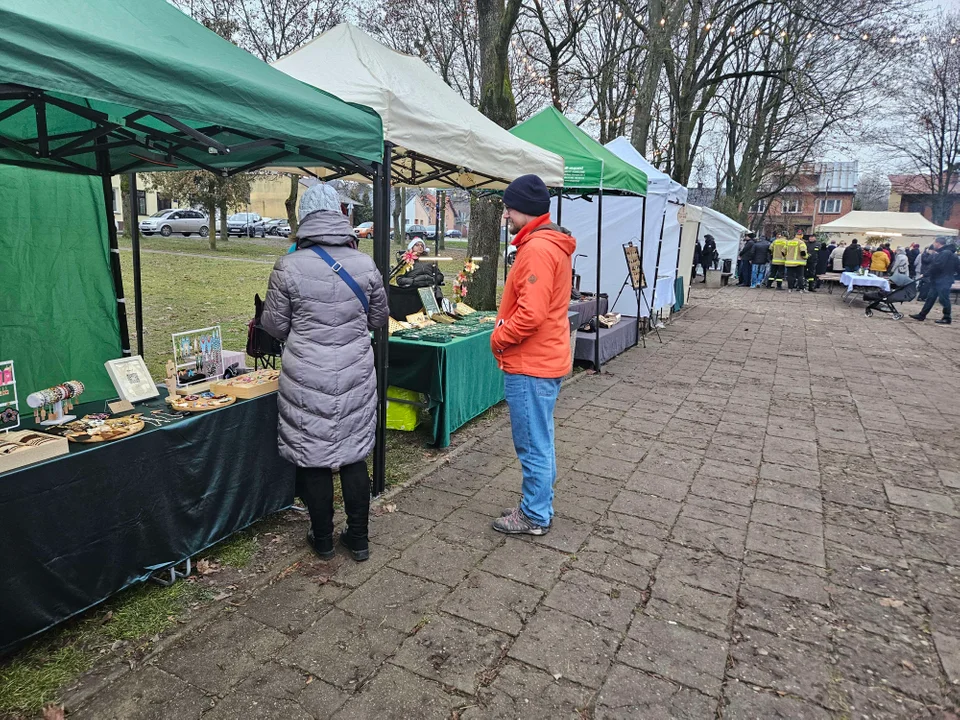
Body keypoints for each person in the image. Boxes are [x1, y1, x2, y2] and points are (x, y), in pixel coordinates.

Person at [261, 183, 389, 562]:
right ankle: (360, 538)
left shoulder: (288, 265)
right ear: (339, 214)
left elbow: (273, 325)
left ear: (305, 218)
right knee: (352, 454)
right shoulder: (364, 264)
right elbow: (379, 317)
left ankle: (321, 540)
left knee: (312, 454)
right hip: (355, 371)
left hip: (306, 375)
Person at [491, 174, 576, 535]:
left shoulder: (538, 249)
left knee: (532, 444)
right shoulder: (549, 244)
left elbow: (531, 313)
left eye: (509, 206)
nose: (506, 213)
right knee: (541, 439)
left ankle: (534, 515)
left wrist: (499, 339)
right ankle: (538, 505)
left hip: (532, 364)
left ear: (524, 208)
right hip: (545, 360)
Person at [910, 237, 960, 325]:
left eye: (934, 243)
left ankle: (947, 317)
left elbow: (937, 266)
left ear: (937, 243)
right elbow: (957, 267)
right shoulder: (951, 254)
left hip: (942, 280)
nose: (933, 245)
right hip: (941, 279)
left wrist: (925, 274)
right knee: (931, 298)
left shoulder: (944, 253)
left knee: (943, 299)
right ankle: (922, 314)